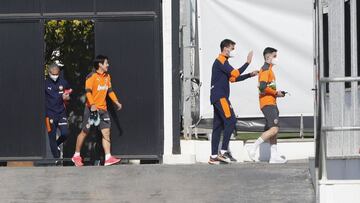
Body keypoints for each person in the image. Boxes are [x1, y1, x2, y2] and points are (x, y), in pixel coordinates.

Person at [208, 39, 258, 165]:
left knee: (218, 126)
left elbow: (233, 79)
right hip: (220, 97)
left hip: (217, 96)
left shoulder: (223, 62)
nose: (232, 51)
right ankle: (223, 152)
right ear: (225, 48)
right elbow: (235, 73)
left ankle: (213, 157)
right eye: (232, 48)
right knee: (231, 120)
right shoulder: (221, 60)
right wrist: (247, 62)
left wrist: (249, 75)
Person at [71, 55, 122, 167]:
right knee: (85, 131)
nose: (108, 65)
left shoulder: (107, 76)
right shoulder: (91, 76)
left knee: (106, 133)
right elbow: (88, 92)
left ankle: (108, 158)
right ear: (100, 64)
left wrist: (116, 102)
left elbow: (110, 91)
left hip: (103, 110)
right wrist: (93, 105)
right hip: (91, 109)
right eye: (106, 63)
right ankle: (76, 155)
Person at [246, 47, 287, 164]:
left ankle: (273, 156)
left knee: (273, 129)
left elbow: (267, 88)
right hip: (267, 104)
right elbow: (262, 87)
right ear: (268, 57)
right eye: (275, 56)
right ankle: (253, 147)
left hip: (271, 103)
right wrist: (275, 93)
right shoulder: (265, 70)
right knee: (274, 129)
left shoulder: (269, 70)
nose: (276, 59)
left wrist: (277, 94)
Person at [45, 63, 71, 159]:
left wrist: (67, 97)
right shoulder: (45, 83)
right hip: (49, 115)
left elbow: (69, 91)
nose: (55, 76)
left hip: (61, 113)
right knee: (51, 137)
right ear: (49, 73)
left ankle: (57, 144)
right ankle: (56, 159)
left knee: (65, 133)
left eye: (57, 74)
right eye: (53, 74)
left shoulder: (63, 82)